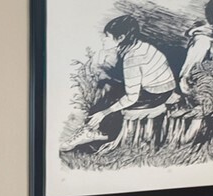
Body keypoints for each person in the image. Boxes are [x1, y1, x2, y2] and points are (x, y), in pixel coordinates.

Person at [72, 14, 177, 151]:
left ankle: (99, 134)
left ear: (121, 38)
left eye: (107, 36)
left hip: (156, 94)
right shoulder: (141, 46)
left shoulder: (133, 57)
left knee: (113, 99)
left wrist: (104, 113)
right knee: (111, 87)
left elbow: (131, 97)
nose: (103, 40)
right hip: (163, 88)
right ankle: (93, 130)